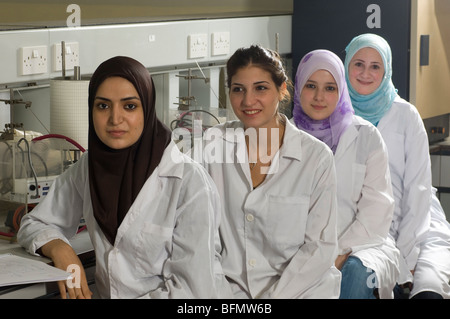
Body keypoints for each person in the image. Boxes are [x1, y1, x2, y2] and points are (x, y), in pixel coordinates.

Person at [17, 56, 230, 299]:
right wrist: (61, 249)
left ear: (147, 109)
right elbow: (34, 223)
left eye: (129, 106)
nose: (114, 119)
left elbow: (193, 291)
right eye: (103, 106)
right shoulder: (89, 167)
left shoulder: (189, 182)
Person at [198, 44, 341, 298]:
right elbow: (200, 238)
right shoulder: (212, 144)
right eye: (238, 89)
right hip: (230, 292)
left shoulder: (315, 158)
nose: (248, 101)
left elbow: (318, 249)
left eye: (260, 88)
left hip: (299, 291)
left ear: (282, 90)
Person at [344, 33, 450, 299]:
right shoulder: (337, 116)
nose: (365, 73)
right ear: (346, 66)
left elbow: (419, 190)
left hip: (418, 222)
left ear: (387, 70)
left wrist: (407, 257)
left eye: (375, 66)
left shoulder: (406, 115)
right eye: (358, 64)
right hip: (365, 226)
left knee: (429, 291)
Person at [291, 49, 400, 299]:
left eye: (330, 88)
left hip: (358, 247)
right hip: (298, 249)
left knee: (354, 275)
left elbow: (377, 212)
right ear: (298, 88)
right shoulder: (284, 138)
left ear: (341, 90)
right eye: (311, 86)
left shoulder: (366, 137)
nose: (320, 97)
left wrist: (335, 251)